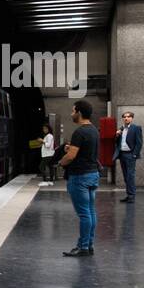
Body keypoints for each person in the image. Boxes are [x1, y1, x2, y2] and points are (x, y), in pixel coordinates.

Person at [57, 99, 101, 257]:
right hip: (93, 174)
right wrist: (71, 148)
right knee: (90, 211)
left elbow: (71, 156)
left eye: (73, 110)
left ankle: (82, 247)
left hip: (80, 176)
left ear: (79, 113)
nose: (71, 113)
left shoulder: (79, 132)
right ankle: (88, 245)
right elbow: (84, 150)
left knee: (83, 213)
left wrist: (60, 162)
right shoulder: (94, 130)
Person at [115, 110, 143, 203]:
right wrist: (117, 135)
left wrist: (134, 155)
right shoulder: (121, 128)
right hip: (122, 154)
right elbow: (117, 142)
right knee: (126, 176)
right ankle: (129, 195)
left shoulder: (136, 128)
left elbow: (139, 143)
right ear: (123, 119)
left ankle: (131, 196)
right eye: (124, 117)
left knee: (130, 176)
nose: (126, 118)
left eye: (128, 116)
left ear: (132, 118)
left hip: (130, 155)